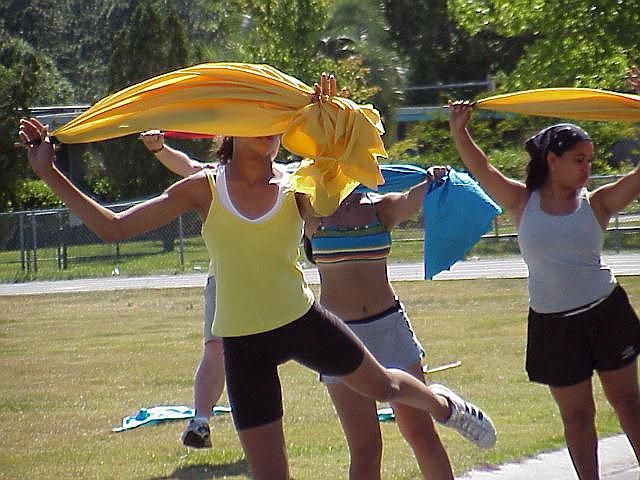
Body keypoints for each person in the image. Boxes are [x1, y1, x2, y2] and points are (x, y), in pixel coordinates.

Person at [18, 76, 496, 480]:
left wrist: (329, 115)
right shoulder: (203, 187)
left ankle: (445, 407)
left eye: (276, 123)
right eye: (258, 122)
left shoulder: (298, 184)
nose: (269, 132)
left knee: (387, 389)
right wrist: (50, 172)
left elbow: (344, 170)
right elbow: (113, 227)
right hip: (243, 343)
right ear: (232, 129)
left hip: (302, 320)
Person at [448, 100, 640, 480]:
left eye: (590, 160)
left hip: (606, 314)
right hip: (554, 326)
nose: (587, 168)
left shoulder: (597, 203)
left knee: (629, 404)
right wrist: (459, 130)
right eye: (578, 160)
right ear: (552, 160)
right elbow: (482, 168)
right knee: (577, 417)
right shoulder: (522, 201)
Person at [304, 169, 468, 480]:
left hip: (388, 327)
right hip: (339, 334)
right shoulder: (312, 212)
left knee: (421, 432)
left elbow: (414, 196)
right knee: (366, 448)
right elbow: (279, 189)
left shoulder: (381, 208)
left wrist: (432, 178)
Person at [139, 131, 222, 449]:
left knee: (258, 355)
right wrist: (159, 148)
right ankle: (200, 423)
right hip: (225, 281)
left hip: (274, 283)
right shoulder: (215, 177)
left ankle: (259, 428)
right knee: (216, 350)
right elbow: (187, 165)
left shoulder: (282, 176)